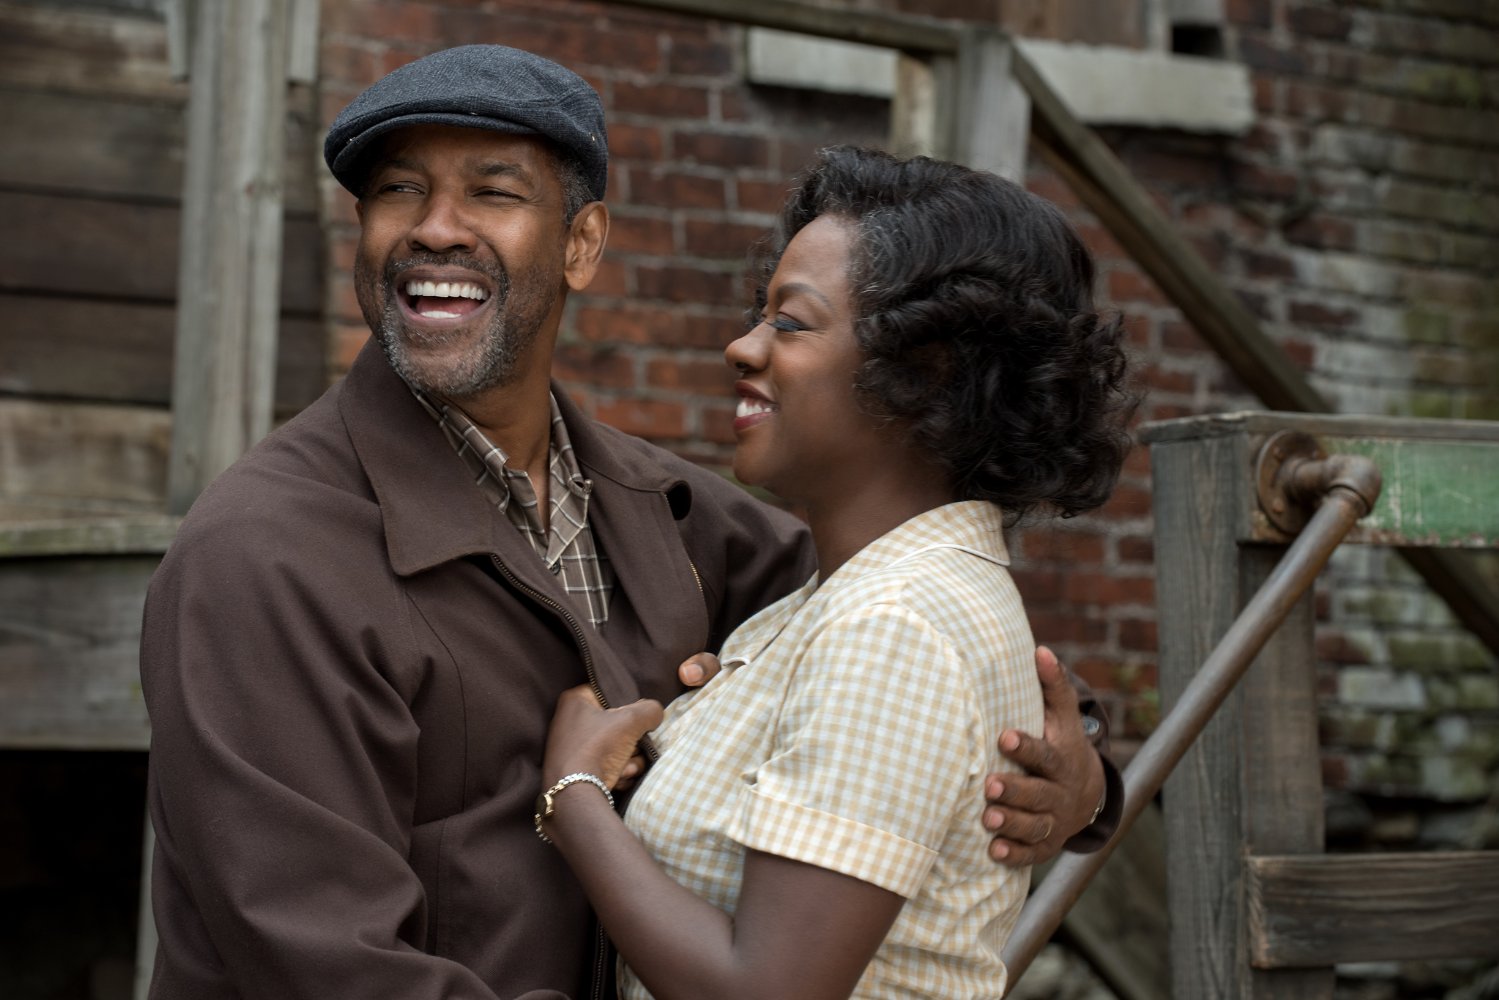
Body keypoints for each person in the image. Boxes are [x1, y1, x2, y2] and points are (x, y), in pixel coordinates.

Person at [139, 45, 1117, 1000]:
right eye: (397, 191)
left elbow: (907, 640)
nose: (434, 228)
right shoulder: (265, 555)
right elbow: (322, 960)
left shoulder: (670, 513)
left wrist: (1077, 775)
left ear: (581, 243)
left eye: (492, 191)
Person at [536, 145, 1135, 999]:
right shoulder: (839, 599)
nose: (742, 347)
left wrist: (575, 796)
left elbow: (769, 990)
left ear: (921, 369)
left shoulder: (892, 624)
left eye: (790, 322)